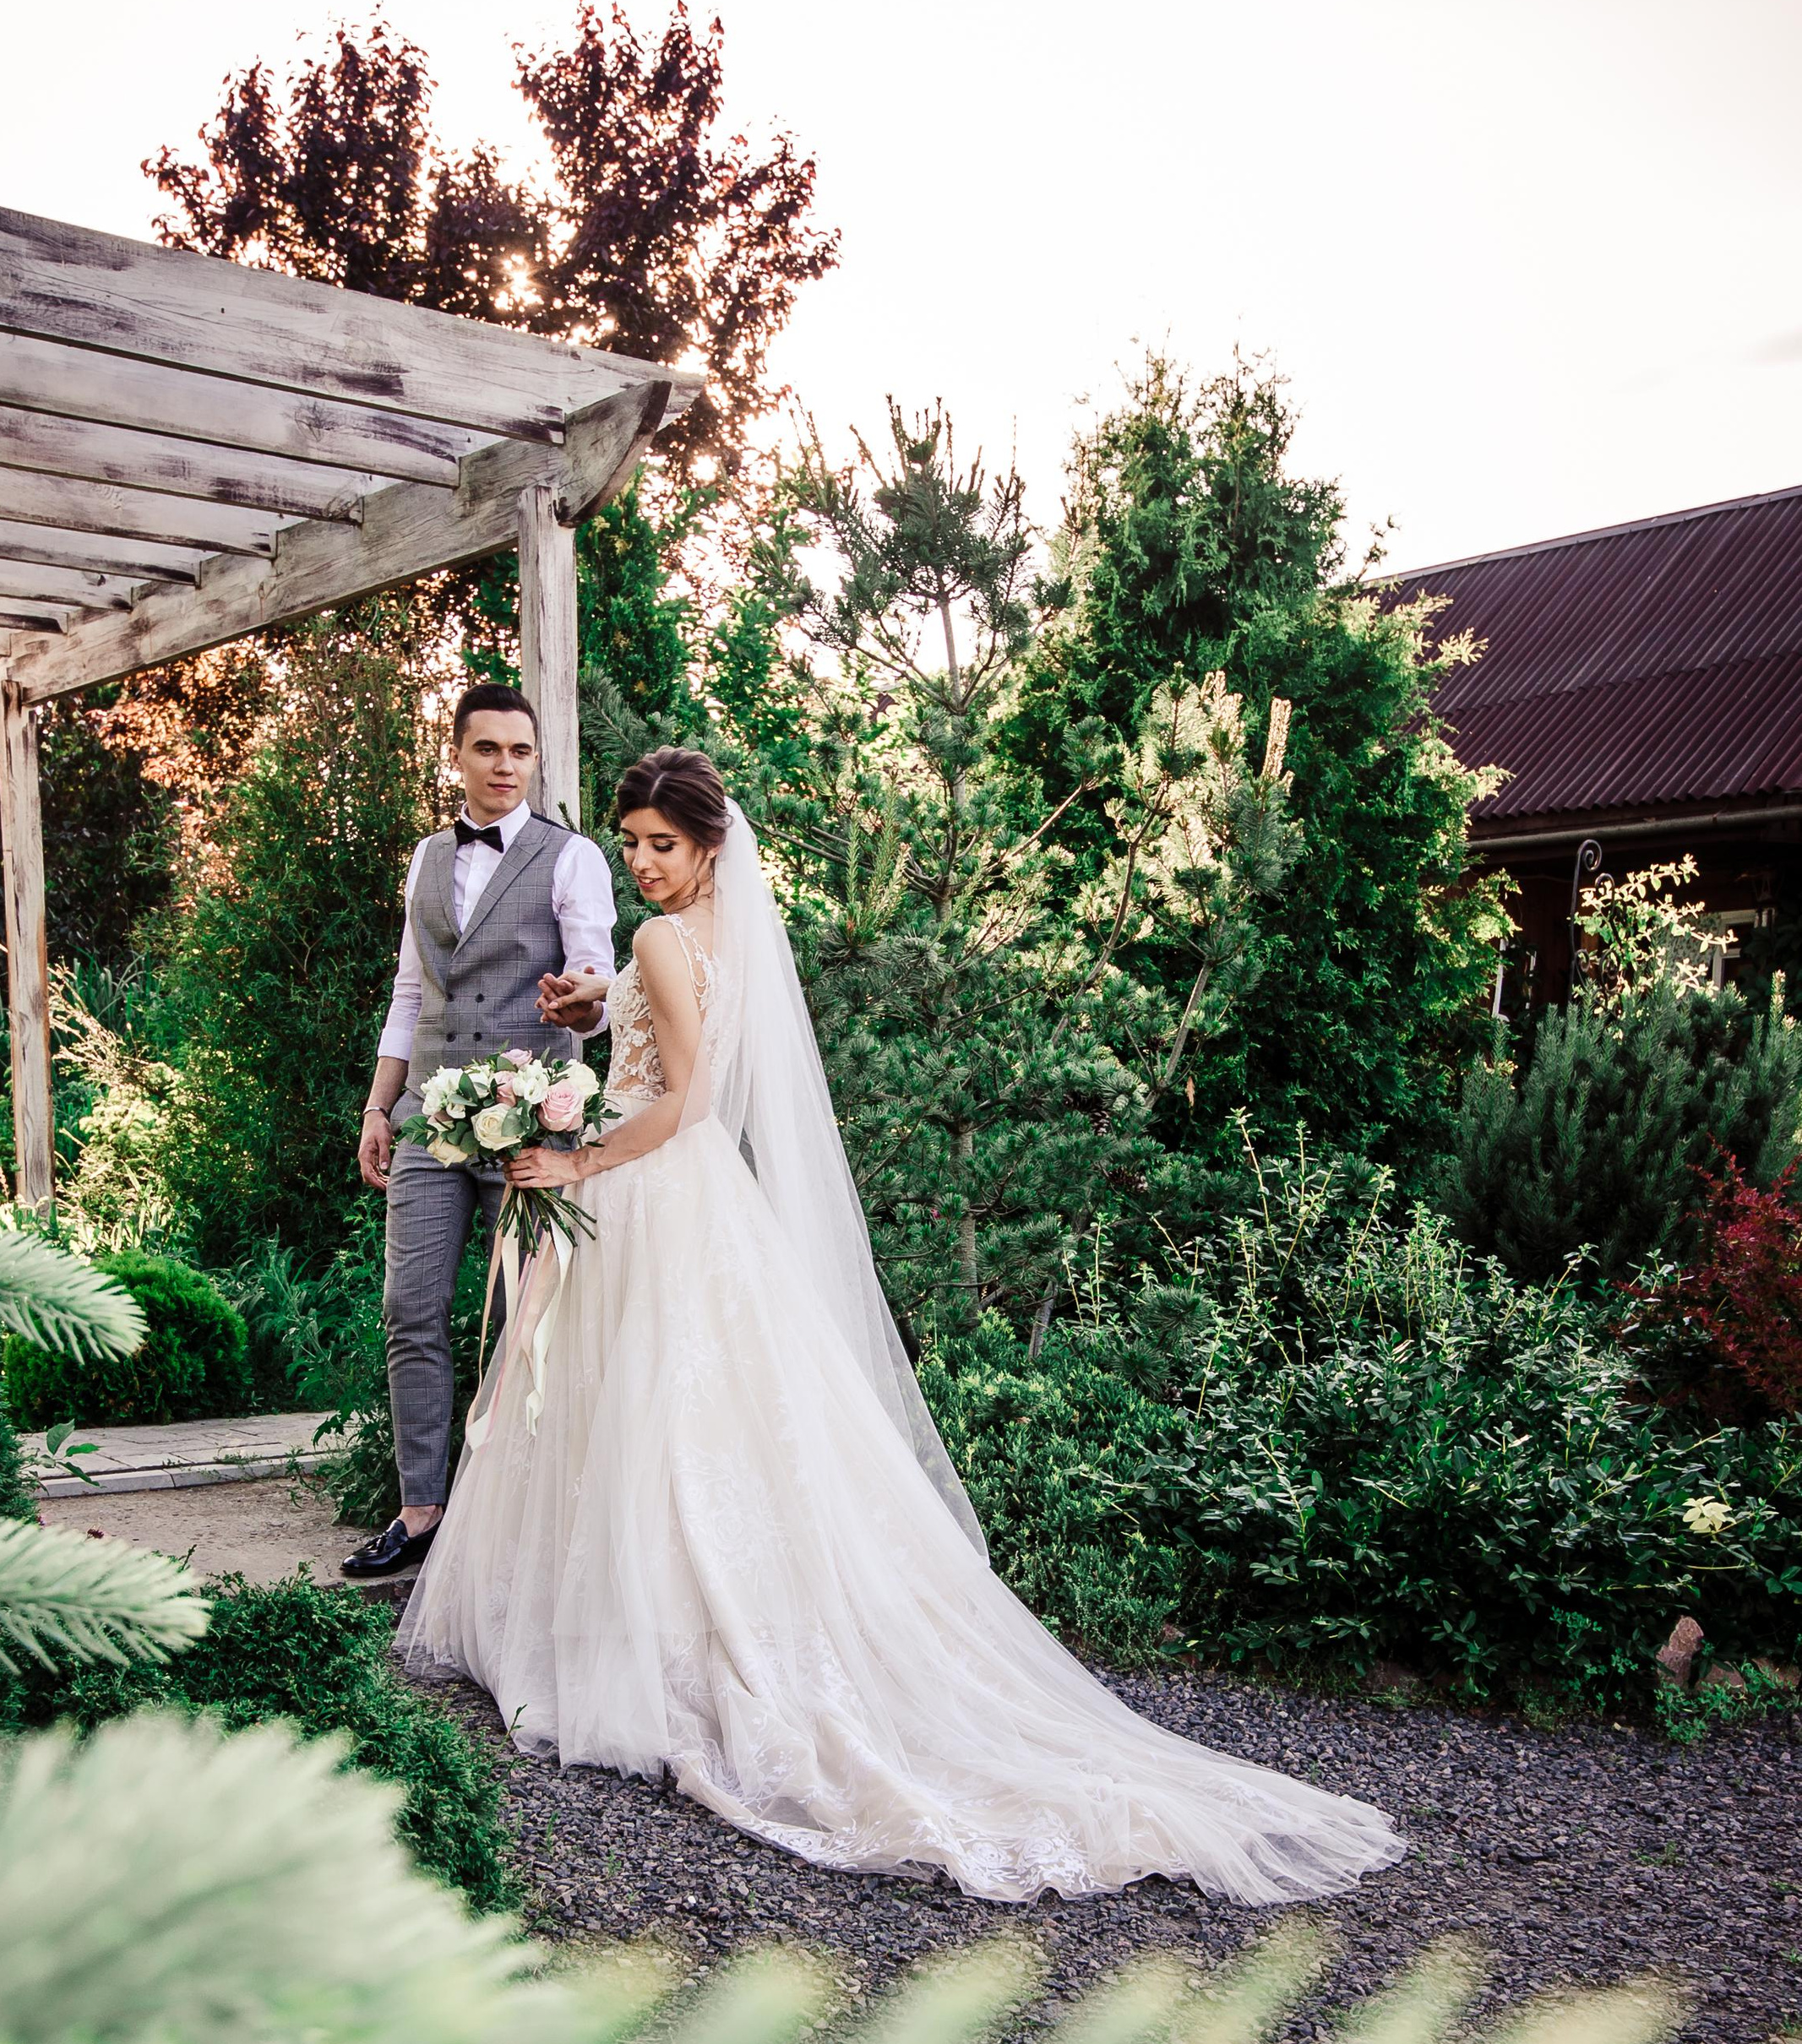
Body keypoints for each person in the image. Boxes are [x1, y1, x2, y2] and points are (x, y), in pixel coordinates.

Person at [397, 750, 1403, 1905]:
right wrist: (598, 1006)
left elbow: (685, 1100)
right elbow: (679, 1051)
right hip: (699, 1202)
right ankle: (674, 1629)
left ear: (710, 845)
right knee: (699, 1425)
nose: (641, 863)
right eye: (629, 844)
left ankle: (634, 1646)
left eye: (660, 845)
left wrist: (576, 1157)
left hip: (643, 1185)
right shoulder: (725, 935)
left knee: (644, 1420)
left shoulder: (666, 939)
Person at [340, 682, 617, 1590]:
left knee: (522, 1321)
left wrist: (579, 1004)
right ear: (456, 754)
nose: (505, 765)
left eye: (520, 751)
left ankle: (519, 1522)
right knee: (409, 1309)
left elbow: (597, 982)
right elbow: (409, 992)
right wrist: (379, 1108)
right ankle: (421, 1512)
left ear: (535, 760)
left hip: (528, 1119)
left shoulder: (572, 858)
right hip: (427, 1116)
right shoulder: (427, 857)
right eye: (487, 748)